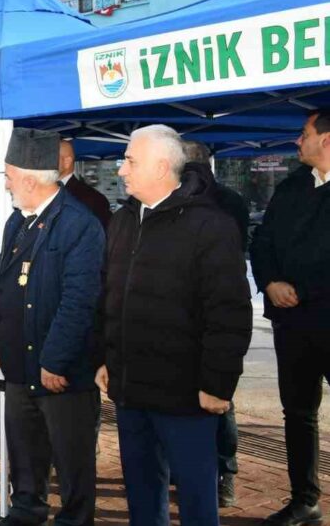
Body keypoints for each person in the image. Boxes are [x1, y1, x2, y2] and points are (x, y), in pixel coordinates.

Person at [96, 124, 252, 525]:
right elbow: (110, 299)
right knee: (143, 498)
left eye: (130, 161)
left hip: (186, 398)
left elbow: (229, 313)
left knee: (198, 501)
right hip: (131, 392)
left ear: (162, 167)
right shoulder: (123, 221)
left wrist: (217, 384)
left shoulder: (210, 226)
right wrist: (105, 358)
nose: (121, 170)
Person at [0, 129, 105, 526]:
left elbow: (80, 301)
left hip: (60, 373)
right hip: (19, 367)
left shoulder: (79, 225)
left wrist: (54, 359)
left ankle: (73, 519)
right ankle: (26, 511)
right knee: (24, 453)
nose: (6, 185)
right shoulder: (16, 222)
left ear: (31, 179)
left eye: (9, 176)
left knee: (71, 461)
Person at [251, 109, 330, 526]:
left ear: (327, 141)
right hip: (293, 326)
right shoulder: (292, 186)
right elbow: (261, 241)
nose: (297, 142)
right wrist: (270, 282)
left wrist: (304, 290)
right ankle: (305, 501)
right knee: (298, 413)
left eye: (304, 134)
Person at [184, 140, 251, 508]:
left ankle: (223, 473)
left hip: (208, 312)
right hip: (195, 314)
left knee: (219, 400)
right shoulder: (231, 201)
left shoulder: (222, 203)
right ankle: (220, 474)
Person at [57, 140, 112, 229]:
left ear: (67, 162)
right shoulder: (44, 192)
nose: (45, 163)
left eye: (51, 158)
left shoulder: (92, 199)